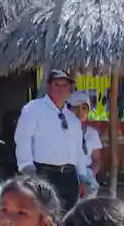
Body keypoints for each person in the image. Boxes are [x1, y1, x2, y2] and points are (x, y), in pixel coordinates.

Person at [14, 69, 84, 216]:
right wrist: (27, 168)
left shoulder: (72, 118)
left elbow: (78, 149)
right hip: (44, 174)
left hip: (69, 177)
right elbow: (22, 138)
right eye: (57, 84)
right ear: (49, 86)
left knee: (67, 219)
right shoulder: (33, 109)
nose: (60, 89)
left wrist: (82, 176)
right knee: (46, 218)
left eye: (64, 85)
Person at [69, 90, 103, 194]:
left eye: (84, 108)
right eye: (75, 108)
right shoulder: (62, 132)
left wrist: (89, 176)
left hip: (87, 180)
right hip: (67, 177)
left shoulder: (92, 133)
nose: (79, 112)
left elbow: (96, 159)